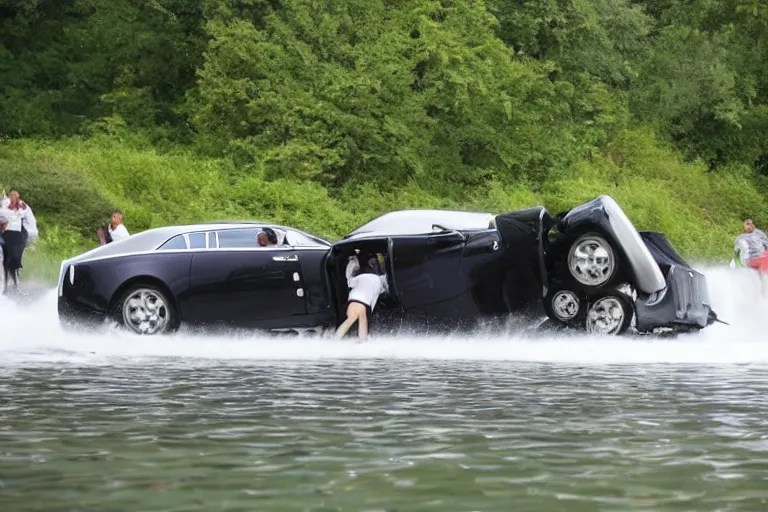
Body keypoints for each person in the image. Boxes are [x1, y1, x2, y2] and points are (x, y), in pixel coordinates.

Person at [335, 251, 389, 341]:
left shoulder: (360, 277)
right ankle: (362, 344)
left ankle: (333, 342)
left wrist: (352, 262)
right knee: (362, 332)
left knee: (349, 320)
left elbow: (349, 282)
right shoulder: (379, 280)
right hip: (365, 304)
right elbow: (384, 289)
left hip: (353, 301)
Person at [0, 191, 38, 293]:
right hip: (7, 235)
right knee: (6, 259)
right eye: (11, 197)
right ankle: (6, 285)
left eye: (15, 197)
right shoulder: (4, 207)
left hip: (16, 236)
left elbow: (29, 219)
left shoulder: (22, 208)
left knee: (15, 259)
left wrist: (32, 235)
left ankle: (16, 283)